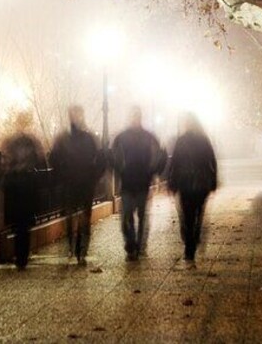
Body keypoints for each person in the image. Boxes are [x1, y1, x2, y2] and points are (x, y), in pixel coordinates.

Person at [49, 105, 104, 265]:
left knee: (83, 219)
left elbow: (100, 160)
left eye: (77, 114)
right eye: (73, 114)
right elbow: (53, 158)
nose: (75, 117)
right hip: (72, 184)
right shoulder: (66, 138)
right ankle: (73, 247)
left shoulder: (85, 138)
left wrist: (93, 177)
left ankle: (80, 250)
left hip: (84, 184)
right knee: (72, 218)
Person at [112, 106, 163, 261]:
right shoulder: (122, 137)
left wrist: (153, 172)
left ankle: (138, 246)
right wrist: (120, 170)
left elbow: (160, 155)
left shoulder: (148, 137)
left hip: (142, 183)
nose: (135, 118)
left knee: (142, 217)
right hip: (128, 183)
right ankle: (131, 244)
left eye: (137, 116)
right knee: (127, 217)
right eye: (133, 116)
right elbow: (112, 155)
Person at [167, 112, 218, 263]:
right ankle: (193, 240)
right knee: (196, 214)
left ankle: (190, 247)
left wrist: (172, 183)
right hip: (200, 184)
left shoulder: (182, 141)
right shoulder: (203, 140)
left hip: (187, 184)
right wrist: (213, 181)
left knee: (187, 216)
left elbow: (174, 163)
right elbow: (212, 161)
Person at [1, 112, 45, 269]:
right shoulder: (32, 141)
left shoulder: (10, 142)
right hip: (27, 186)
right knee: (25, 224)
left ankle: (19, 255)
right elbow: (41, 161)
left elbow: (5, 162)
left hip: (14, 186)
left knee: (18, 223)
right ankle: (22, 256)